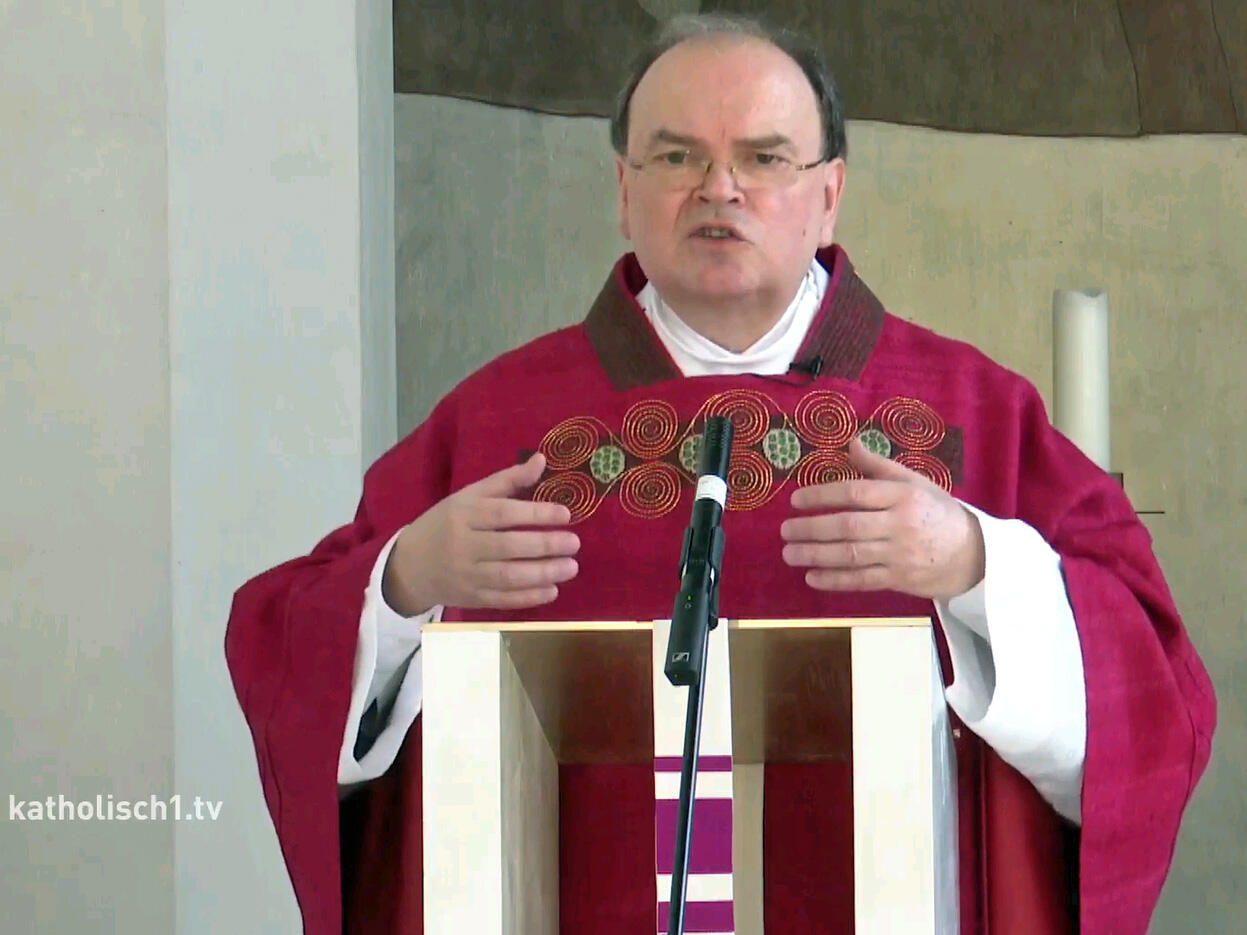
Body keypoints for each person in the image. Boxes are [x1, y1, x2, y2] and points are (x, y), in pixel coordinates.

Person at [226, 13, 1215, 935]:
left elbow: (1153, 688)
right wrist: (404, 583)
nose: (718, 188)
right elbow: (286, 646)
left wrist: (976, 563)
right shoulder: (497, 426)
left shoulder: (971, 414)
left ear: (828, 193)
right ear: (623, 191)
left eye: (763, 157)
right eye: (675, 156)